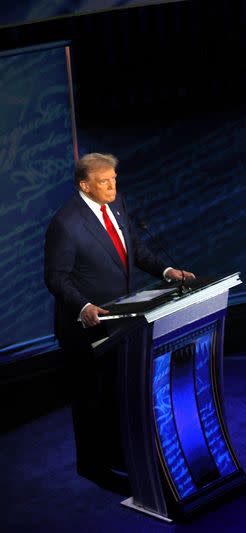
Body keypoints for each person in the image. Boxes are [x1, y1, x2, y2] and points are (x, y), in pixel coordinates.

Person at [44, 152, 194, 492]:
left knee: (115, 393)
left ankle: (117, 454)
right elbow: (56, 277)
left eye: (114, 179)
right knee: (91, 397)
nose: (112, 186)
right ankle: (94, 467)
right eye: (104, 181)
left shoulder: (118, 203)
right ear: (85, 185)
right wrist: (83, 305)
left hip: (121, 320)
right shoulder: (66, 224)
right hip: (86, 327)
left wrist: (167, 271)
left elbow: (134, 250)